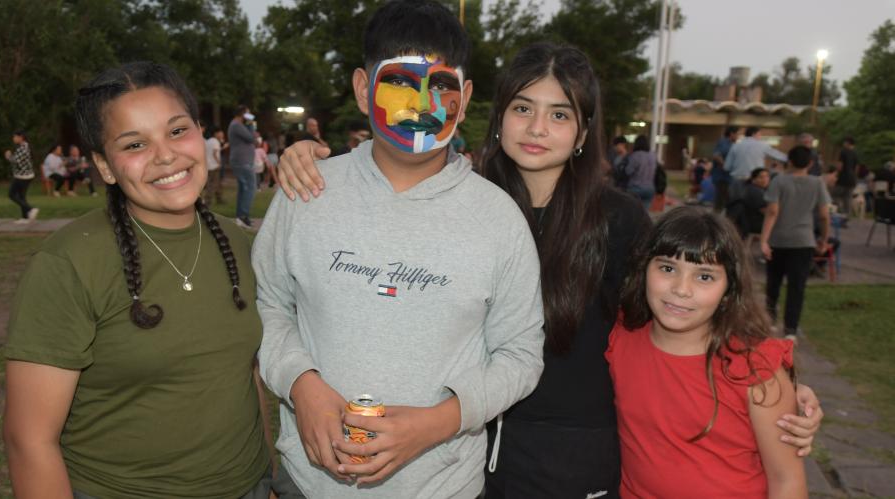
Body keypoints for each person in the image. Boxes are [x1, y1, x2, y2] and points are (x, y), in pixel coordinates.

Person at [274, 42, 825, 498]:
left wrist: (775, 384)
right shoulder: (464, 200)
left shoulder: (618, 219)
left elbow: (681, 313)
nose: (538, 127)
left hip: (577, 452)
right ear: (497, 117)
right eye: (522, 108)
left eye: (559, 114)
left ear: (583, 131)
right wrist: (311, 155)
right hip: (473, 448)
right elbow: (387, 180)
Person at [254, 2, 544, 497]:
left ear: (466, 97)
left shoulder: (499, 220)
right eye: (402, 86)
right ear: (364, 90)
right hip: (308, 483)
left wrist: (439, 423)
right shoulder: (305, 192)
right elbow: (270, 305)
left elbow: (520, 354)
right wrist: (301, 384)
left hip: (442, 486)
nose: (421, 107)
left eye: (442, 89)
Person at [3, 62, 279, 498]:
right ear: (105, 166)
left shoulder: (240, 245)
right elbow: (29, 441)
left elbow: (244, 378)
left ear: (200, 135)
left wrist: (269, 476)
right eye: (135, 143)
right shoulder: (70, 263)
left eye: (176, 131)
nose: (165, 155)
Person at [609, 207, 807, 498]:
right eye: (667, 268)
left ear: (729, 290)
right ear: (643, 270)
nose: (681, 289)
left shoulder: (756, 369)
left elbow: (787, 481)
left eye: (704, 277)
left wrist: (791, 392)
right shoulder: (619, 336)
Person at [761, 146, 831, 341]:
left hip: (778, 240)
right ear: (810, 163)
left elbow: (772, 212)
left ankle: (770, 321)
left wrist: (764, 240)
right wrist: (824, 239)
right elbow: (824, 215)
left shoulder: (778, 181)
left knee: (773, 283)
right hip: (803, 241)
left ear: (789, 161)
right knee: (797, 287)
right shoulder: (818, 183)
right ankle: (791, 329)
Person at [725, 127, 787, 201]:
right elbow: (779, 156)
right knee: (754, 205)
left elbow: (726, 167)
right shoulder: (762, 145)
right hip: (755, 181)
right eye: (760, 134)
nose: (760, 137)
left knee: (736, 204)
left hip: (737, 180)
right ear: (754, 134)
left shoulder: (735, 146)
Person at [228, 105, 257, 228]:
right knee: (251, 187)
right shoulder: (236, 125)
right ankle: (243, 216)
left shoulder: (237, 125)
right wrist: (251, 124)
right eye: (248, 113)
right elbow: (251, 138)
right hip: (242, 161)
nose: (250, 116)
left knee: (243, 189)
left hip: (242, 161)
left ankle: (241, 216)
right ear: (243, 114)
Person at [5, 130, 38, 223]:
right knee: (21, 196)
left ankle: (30, 209)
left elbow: (16, 161)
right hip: (26, 175)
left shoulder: (23, 148)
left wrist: (8, 156)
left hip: (22, 176)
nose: (13, 139)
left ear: (21, 137)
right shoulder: (24, 146)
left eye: (15, 137)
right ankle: (25, 218)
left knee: (11, 195)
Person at [624, 135, 658, 207]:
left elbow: (628, 171)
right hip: (650, 188)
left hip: (635, 188)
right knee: (644, 213)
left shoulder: (635, 155)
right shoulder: (653, 155)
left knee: (632, 212)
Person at [711, 126, 737, 212]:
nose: (737, 136)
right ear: (732, 134)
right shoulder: (724, 142)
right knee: (720, 200)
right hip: (722, 176)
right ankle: (715, 220)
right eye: (737, 134)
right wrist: (725, 166)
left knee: (725, 199)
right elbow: (716, 155)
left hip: (728, 176)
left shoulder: (732, 144)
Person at [835, 137, 859, 215]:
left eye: (844, 142)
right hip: (852, 179)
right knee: (848, 198)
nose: (843, 144)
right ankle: (847, 215)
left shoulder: (843, 151)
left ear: (848, 143)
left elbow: (840, 165)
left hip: (843, 178)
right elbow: (856, 168)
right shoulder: (855, 153)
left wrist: (836, 174)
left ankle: (840, 212)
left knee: (835, 195)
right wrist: (855, 177)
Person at [203, 125, 225, 206]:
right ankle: (207, 201)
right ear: (216, 133)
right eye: (220, 133)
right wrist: (219, 163)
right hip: (214, 166)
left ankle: (219, 199)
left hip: (209, 166)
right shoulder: (215, 141)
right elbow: (215, 153)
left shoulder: (208, 141)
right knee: (212, 185)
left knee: (216, 183)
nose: (222, 134)